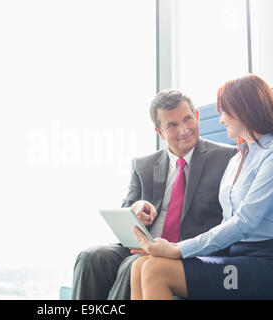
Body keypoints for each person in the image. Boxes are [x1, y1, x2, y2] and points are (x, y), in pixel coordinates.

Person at [131, 74, 273, 300]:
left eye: (225, 111)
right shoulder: (237, 159)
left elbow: (244, 222)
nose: (221, 120)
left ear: (245, 110)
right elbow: (227, 221)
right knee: (141, 266)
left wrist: (178, 249)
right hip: (236, 262)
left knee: (156, 271)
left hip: (272, 267)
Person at [71, 90, 237, 300]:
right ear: (159, 132)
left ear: (196, 115)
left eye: (187, 119)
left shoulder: (225, 158)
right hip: (144, 245)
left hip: (186, 252)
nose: (184, 129)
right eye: (172, 125)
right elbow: (125, 215)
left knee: (134, 266)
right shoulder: (144, 165)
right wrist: (135, 210)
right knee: (91, 257)